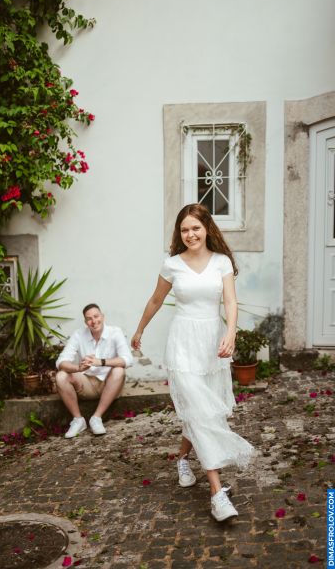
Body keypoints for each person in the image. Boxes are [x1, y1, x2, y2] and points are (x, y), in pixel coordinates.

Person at [131, 203, 255, 522]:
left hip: (213, 346)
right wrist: (140, 329)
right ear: (179, 233)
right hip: (183, 345)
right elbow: (156, 299)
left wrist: (231, 334)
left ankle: (183, 458)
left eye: (195, 228)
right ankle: (217, 495)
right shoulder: (172, 265)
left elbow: (230, 301)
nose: (190, 234)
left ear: (207, 228)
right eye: (184, 229)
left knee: (202, 411)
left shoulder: (221, 262)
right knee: (200, 412)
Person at [56, 303, 133, 438]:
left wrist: (101, 362)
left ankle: (96, 418)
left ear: (102, 317)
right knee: (61, 376)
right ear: (86, 322)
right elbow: (60, 362)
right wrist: (78, 368)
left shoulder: (115, 332)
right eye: (89, 318)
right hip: (86, 384)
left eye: (96, 316)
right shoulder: (78, 334)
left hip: (109, 385)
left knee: (119, 370)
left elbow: (128, 360)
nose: (94, 321)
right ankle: (78, 420)